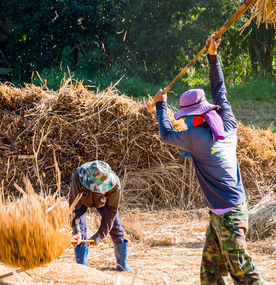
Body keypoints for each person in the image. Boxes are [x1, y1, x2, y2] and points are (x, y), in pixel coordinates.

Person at [153, 33, 264, 285]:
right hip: (224, 213)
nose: (185, 121)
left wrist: (161, 105)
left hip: (229, 216)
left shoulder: (196, 137)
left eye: (186, 117)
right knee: (210, 274)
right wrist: (212, 57)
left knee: (243, 273)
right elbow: (220, 90)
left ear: (195, 116)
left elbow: (166, 135)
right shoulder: (227, 123)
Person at [68, 160, 133, 272]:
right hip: (81, 201)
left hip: (102, 202)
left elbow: (111, 211)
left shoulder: (114, 185)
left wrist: (100, 235)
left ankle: (122, 264)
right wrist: (76, 230)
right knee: (81, 234)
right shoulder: (78, 178)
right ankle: (82, 268)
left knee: (116, 228)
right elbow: (74, 207)